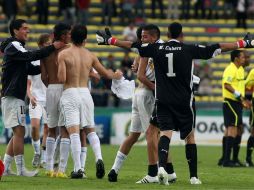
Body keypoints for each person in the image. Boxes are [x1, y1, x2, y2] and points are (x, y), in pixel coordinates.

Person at [96, 22, 254, 185]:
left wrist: (110, 41)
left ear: (166, 34)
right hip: (182, 100)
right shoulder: (188, 49)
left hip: (162, 99)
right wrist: (243, 43)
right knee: (188, 136)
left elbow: (133, 46)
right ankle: (192, 177)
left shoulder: (158, 49)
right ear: (182, 35)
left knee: (164, 133)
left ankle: (162, 169)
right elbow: (216, 47)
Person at [107, 24, 176, 184]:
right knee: (154, 133)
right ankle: (154, 173)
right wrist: (159, 88)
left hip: (139, 94)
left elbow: (137, 62)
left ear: (153, 36)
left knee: (137, 135)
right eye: (142, 37)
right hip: (146, 95)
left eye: (144, 37)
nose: (142, 40)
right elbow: (141, 73)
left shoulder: (149, 49)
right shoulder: (158, 48)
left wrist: (136, 62)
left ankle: (114, 170)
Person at [0, 19, 65, 177]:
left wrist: (48, 67)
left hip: (16, 95)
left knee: (18, 132)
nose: (27, 31)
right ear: (15, 31)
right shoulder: (14, 46)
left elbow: (30, 67)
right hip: (13, 95)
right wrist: (51, 48)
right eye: (24, 29)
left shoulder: (16, 47)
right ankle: (21, 169)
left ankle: (7, 167)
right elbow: (31, 56)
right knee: (20, 131)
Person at [57, 24, 122, 178]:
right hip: (85, 93)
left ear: (71, 37)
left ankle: (78, 169)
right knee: (90, 130)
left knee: (74, 132)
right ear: (85, 38)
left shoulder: (64, 55)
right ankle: (99, 157)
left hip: (70, 92)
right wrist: (116, 75)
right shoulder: (90, 55)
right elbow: (105, 73)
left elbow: (61, 78)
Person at [41, 23, 72, 177]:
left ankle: (48, 168)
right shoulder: (69, 50)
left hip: (51, 89)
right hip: (65, 89)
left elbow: (43, 77)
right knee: (65, 129)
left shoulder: (45, 51)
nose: (70, 36)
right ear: (63, 35)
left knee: (51, 129)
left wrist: (51, 86)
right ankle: (61, 169)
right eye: (68, 34)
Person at [27, 33, 51, 168]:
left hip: (49, 99)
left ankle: (44, 158)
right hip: (36, 98)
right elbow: (28, 85)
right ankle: (37, 153)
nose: (50, 45)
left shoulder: (53, 60)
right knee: (35, 127)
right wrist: (30, 97)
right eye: (48, 43)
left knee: (48, 128)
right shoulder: (33, 61)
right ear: (41, 45)